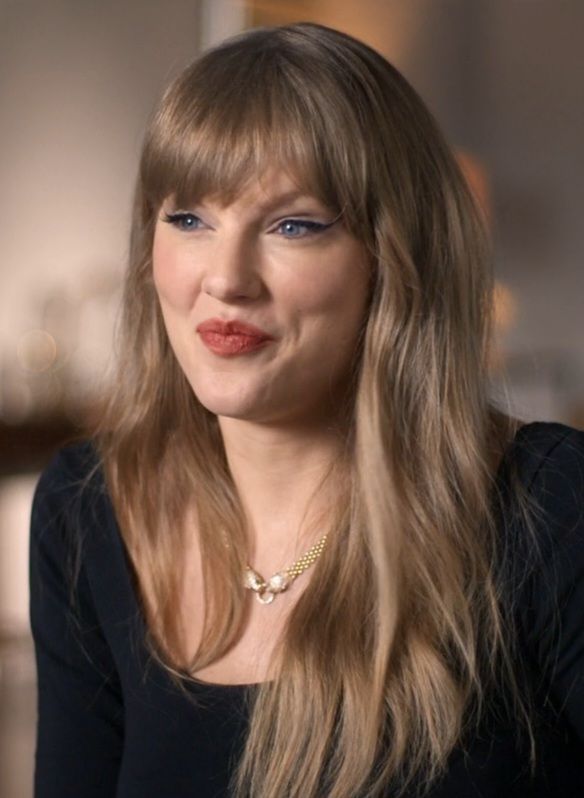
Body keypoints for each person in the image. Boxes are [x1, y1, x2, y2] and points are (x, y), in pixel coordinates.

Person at [29, 21, 584, 798]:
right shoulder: (89, 512)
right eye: (189, 219)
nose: (226, 278)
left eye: (293, 225)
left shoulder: (548, 505)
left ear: (392, 261)